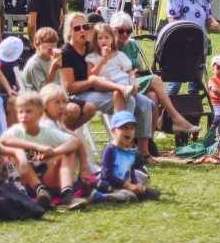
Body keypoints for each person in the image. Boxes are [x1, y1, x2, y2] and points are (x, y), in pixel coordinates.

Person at [61, 12, 153, 155]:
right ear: (69, 31)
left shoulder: (90, 46)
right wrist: (95, 81)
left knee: (145, 102)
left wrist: (128, 78)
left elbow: (112, 59)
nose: (82, 31)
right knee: (125, 99)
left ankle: (142, 150)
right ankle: (123, 146)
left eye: (85, 27)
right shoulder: (66, 53)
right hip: (81, 95)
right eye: (77, 28)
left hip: (107, 88)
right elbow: (70, 87)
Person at [109, 12, 199, 138]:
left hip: (135, 83)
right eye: (121, 31)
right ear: (112, 30)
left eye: (128, 31)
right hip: (118, 85)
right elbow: (107, 71)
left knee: (153, 96)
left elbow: (140, 70)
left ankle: (147, 140)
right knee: (156, 79)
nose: (125, 34)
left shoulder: (133, 45)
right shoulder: (108, 46)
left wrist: (135, 76)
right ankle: (176, 119)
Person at [0, 90, 88, 211]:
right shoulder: (16, 130)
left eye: (28, 111)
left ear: (40, 114)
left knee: (68, 151)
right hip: (25, 180)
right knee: (15, 150)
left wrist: (52, 153)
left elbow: (75, 142)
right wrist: (37, 147)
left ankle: (67, 194)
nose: (23, 115)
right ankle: (39, 189)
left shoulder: (46, 130)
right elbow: (4, 139)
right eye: (20, 112)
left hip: (47, 178)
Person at [165, 0, 220, 96]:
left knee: (196, 78)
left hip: (200, 42)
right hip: (181, 42)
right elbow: (172, 19)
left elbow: (208, 14)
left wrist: (213, 22)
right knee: (176, 79)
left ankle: (192, 107)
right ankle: (167, 108)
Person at [91, 111, 160, 204]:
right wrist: (127, 185)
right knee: (131, 197)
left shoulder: (131, 153)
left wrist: (137, 184)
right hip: (110, 187)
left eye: (132, 128)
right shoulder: (109, 150)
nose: (129, 131)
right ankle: (101, 197)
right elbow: (107, 175)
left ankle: (126, 194)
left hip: (125, 186)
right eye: (124, 128)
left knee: (154, 193)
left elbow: (131, 173)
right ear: (113, 130)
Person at [39, 83, 91, 194]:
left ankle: (70, 186)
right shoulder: (46, 125)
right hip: (44, 179)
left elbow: (78, 141)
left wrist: (84, 168)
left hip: (52, 175)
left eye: (64, 101)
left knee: (70, 145)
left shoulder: (55, 123)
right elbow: (76, 142)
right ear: (44, 104)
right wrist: (84, 168)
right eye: (57, 102)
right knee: (68, 149)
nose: (62, 106)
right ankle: (66, 192)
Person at [86, 23, 138, 114]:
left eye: (107, 37)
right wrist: (101, 63)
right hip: (106, 84)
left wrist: (133, 82)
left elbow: (129, 71)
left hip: (121, 79)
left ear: (112, 39)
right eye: (100, 38)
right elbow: (91, 76)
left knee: (117, 93)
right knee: (118, 91)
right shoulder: (92, 57)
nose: (103, 40)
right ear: (95, 40)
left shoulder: (118, 55)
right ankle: (122, 90)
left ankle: (121, 120)